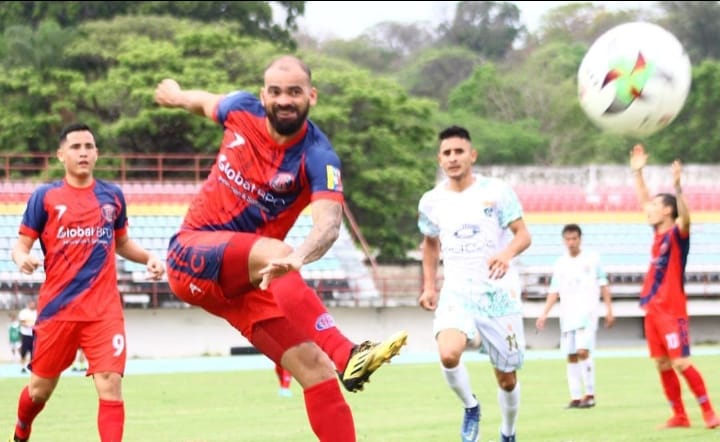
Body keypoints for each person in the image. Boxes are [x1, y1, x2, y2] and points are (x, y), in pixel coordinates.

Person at [153, 54, 408, 441]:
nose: (284, 100)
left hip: (251, 282)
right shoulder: (240, 109)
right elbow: (203, 102)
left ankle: (339, 361)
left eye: (294, 92)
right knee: (276, 253)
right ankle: (347, 353)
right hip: (190, 256)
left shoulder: (318, 156)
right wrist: (175, 95)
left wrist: (298, 257)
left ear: (311, 96)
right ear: (263, 95)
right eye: (275, 92)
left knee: (316, 370)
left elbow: (329, 224)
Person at [10, 123, 166, 442]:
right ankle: (22, 429)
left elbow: (122, 243)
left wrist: (149, 257)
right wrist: (22, 258)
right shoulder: (45, 197)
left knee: (110, 381)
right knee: (39, 390)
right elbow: (20, 245)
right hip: (58, 311)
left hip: (103, 311)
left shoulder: (112, 196)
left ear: (97, 154)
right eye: (76, 147)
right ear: (61, 154)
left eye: (89, 147)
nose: (83, 152)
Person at [417, 125, 532, 442]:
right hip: (457, 291)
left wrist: (506, 254)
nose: (453, 158)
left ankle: (508, 432)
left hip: (498, 293)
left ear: (472, 155)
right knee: (448, 354)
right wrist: (429, 286)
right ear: (440, 159)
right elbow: (430, 244)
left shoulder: (497, 192)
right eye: (447, 153)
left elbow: (523, 235)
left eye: (459, 151)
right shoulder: (431, 201)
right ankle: (471, 407)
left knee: (506, 378)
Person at [630, 143, 719, 430]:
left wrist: (678, 188)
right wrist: (638, 173)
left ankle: (709, 412)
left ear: (668, 210)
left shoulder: (677, 236)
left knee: (681, 362)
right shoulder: (656, 234)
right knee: (662, 364)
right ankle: (680, 415)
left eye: (655, 207)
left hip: (672, 310)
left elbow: (687, 219)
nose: (649, 210)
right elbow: (644, 201)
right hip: (652, 310)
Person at [535, 223, 614, 409]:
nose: (571, 242)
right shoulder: (560, 264)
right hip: (567, 315)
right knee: (570, 355)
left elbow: (603, 285)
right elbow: (554, 291)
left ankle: (590, 394)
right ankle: (576, 397)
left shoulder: (592, 260)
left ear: (580, 239)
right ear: (563, 241)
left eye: (574, 239)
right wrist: (544, 313)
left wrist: (609, 309)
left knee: (582, 351)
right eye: (568, 239)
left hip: (587, 313)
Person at [17, 299, 37, 374]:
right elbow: (22, 322)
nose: (33, 305)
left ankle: (32, 367)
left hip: (34, 335)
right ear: (28, 304)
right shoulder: (23, 312)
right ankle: (22, 367)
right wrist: (29, 325)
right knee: (24, 352)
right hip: (25, 334)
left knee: (33, 352)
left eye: (34, 304)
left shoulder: (37, 312)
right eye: (31, 304)